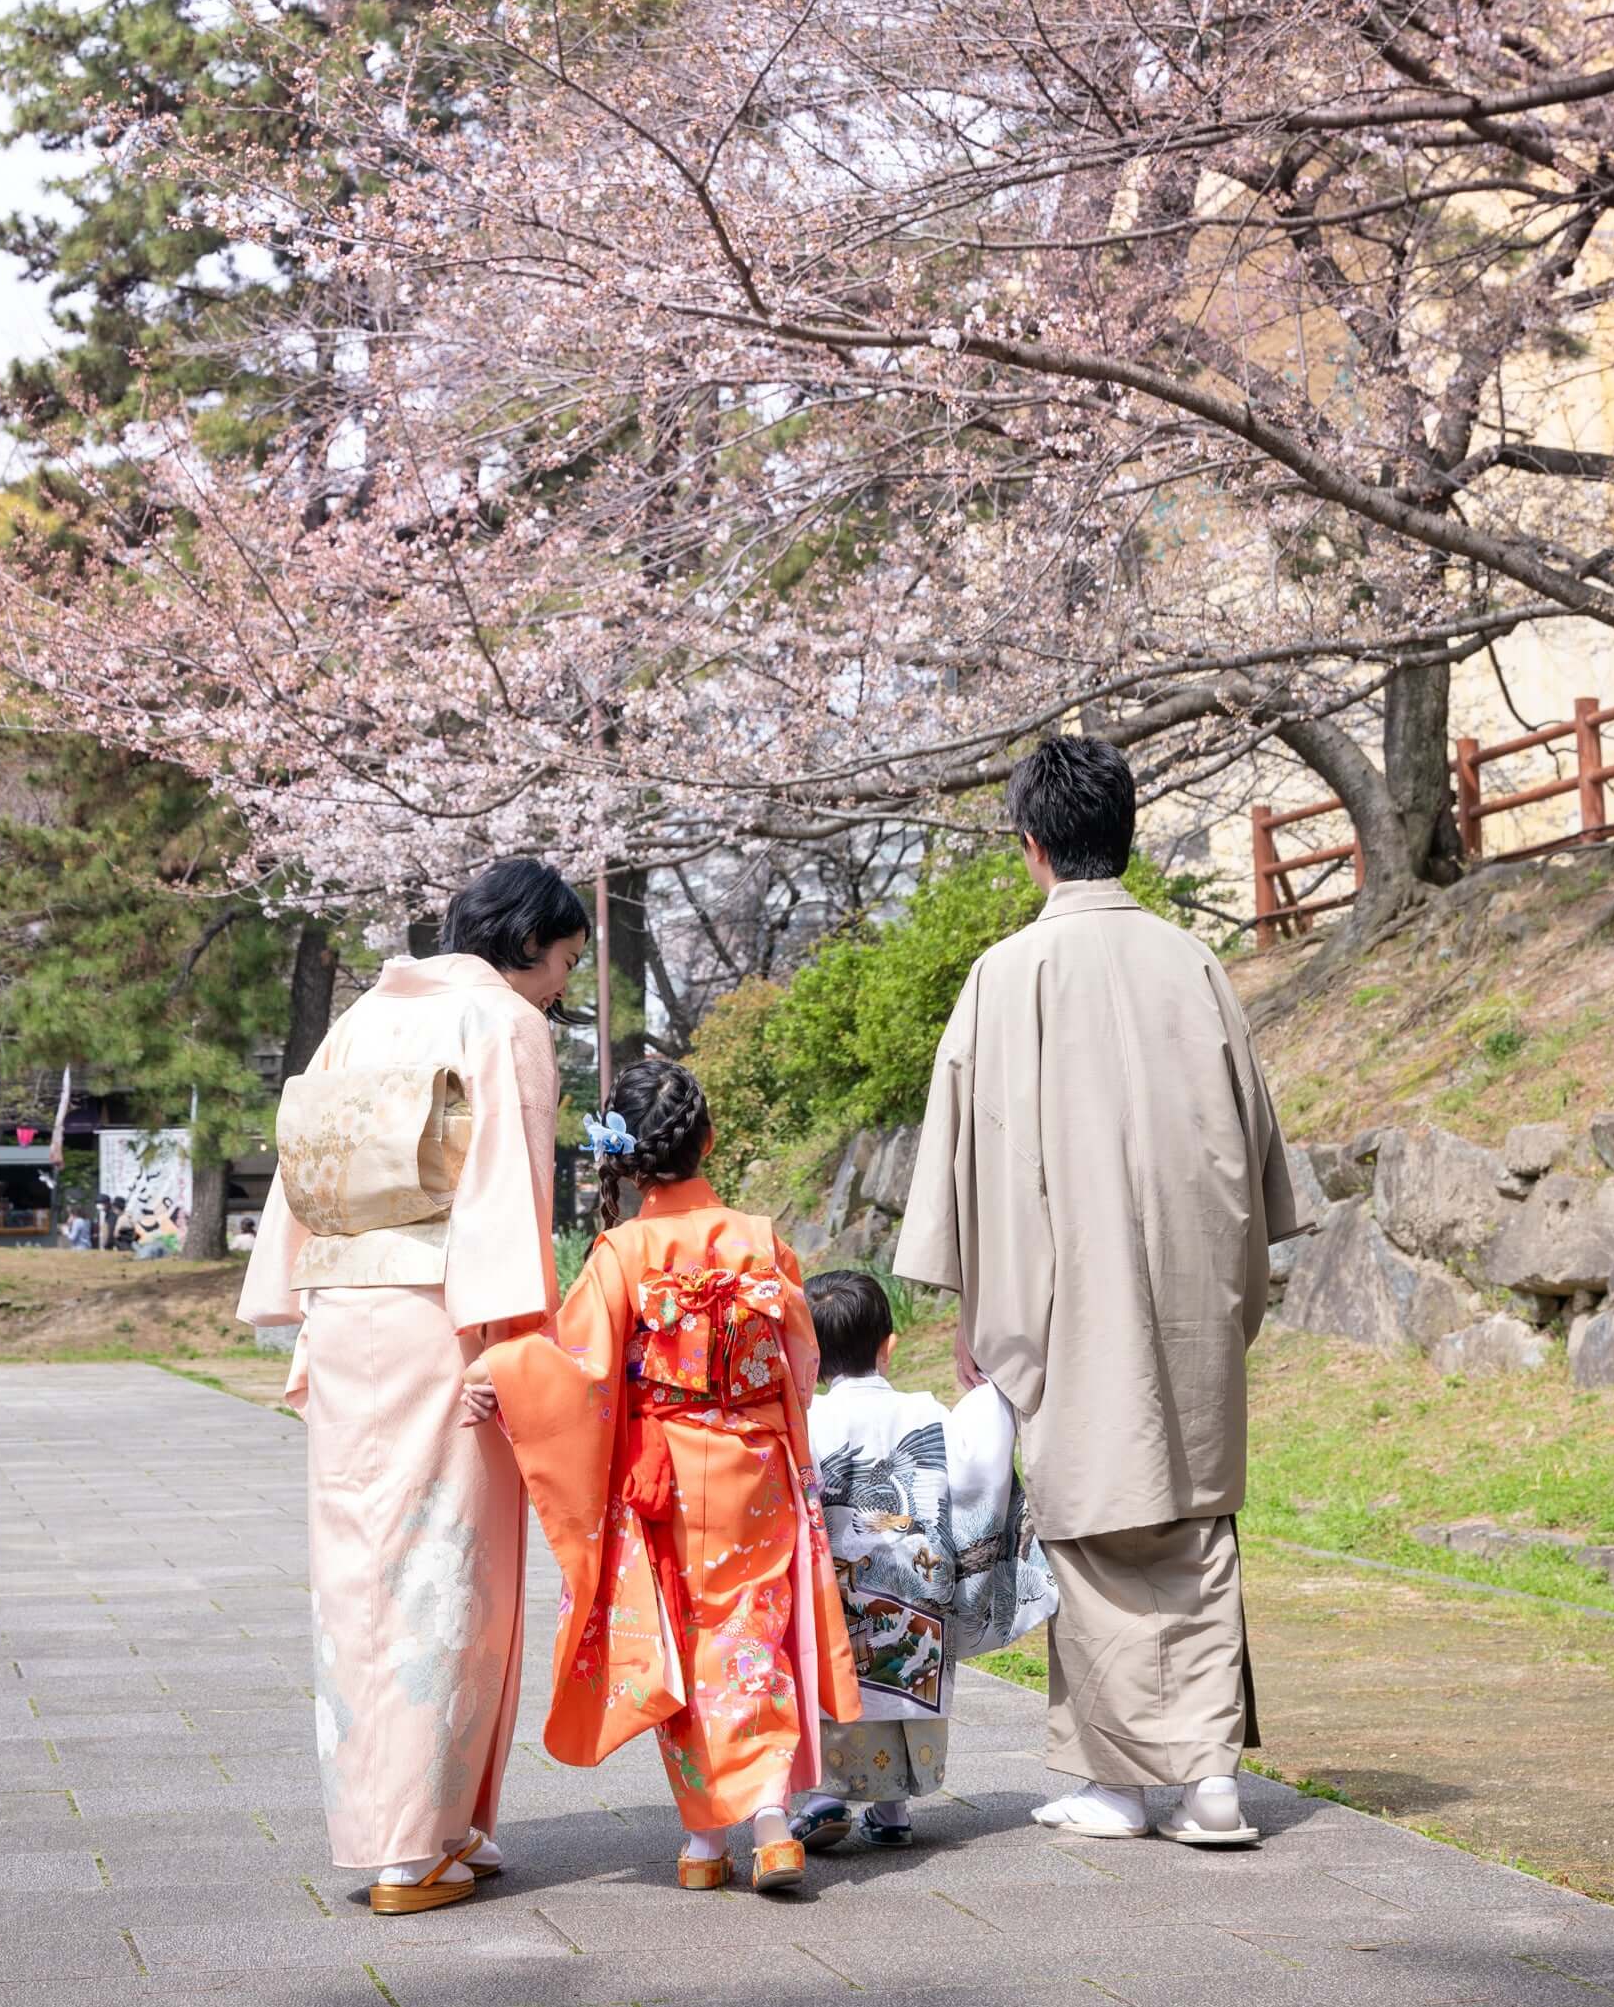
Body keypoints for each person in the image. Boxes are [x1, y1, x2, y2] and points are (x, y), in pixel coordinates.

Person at [892, 737, 1301, 1848]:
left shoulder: (1004, 975)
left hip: (1066, 1296)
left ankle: (1119, 1784)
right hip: (1187, 1289)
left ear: (1030, 846)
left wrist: (979, 1315)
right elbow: (1255, 1155)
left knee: (1093, 1525)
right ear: (1121, 831)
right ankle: (1208, 1778)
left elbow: (969, 1172)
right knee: (1193, 1523)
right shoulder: (1194, 962)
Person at [239, 856, 585, 1917]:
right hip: (447, 1317)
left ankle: (436, 1824)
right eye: (565, 959)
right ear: (527, 942)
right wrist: (513, 1340)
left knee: (360, 1566)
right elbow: (509, 1189)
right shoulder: (502, 1023)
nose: (563, 983)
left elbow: (315, 1170)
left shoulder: (361, 1017)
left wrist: (300, 1300)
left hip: (349, 1313)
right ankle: (410, 1842)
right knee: (449, 1569)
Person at [472, 1059, 859, 1899]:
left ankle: (699, 1841)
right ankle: (767, 1822)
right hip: (756, 1466)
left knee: (681, 1647)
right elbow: (800, 1359)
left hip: (669, 1477)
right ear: (708, 1140)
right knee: (751, 1637)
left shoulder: (623, 1250)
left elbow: (575, 1366)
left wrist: (500, 1373)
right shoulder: (761, 1238)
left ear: (627, 1160)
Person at [789, 1269, 1055, 1853]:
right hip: (919, 1597)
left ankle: (824, 1799)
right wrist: (992, 1392)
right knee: (905, 1677)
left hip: (835, 1599)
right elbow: (979, 1468)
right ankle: (892, 1809)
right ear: (890, 1346)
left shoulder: (805, 1420)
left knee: (834, 1681)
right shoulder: (927, 1412)